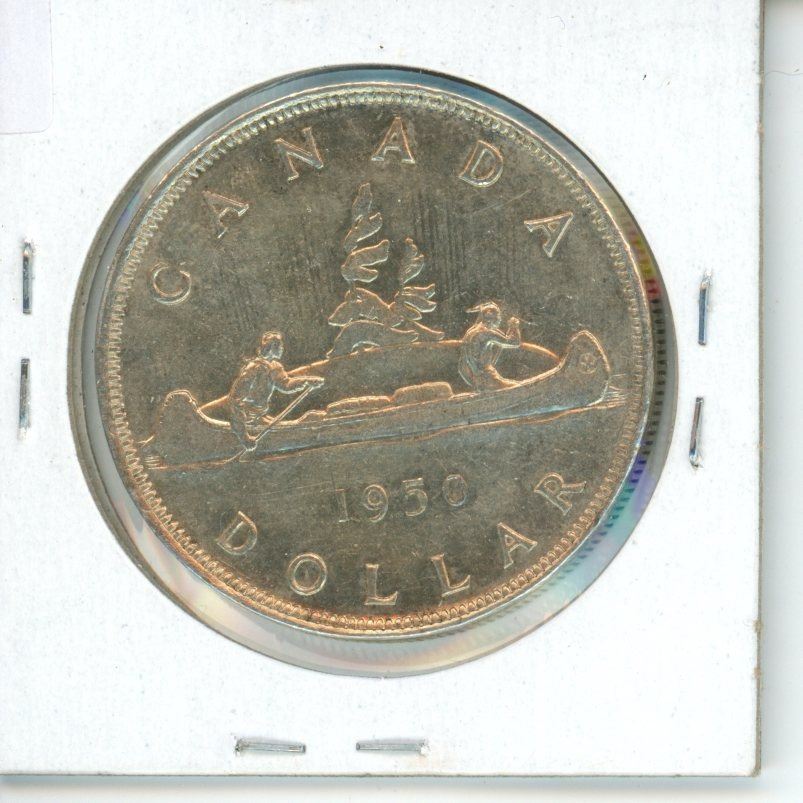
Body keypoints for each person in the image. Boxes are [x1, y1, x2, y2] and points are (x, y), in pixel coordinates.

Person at [227, 331, 323, 451]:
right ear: (271, 347)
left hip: (260, 416)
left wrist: (307, 381)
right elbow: (235, 400)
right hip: (246, 419)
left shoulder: (275, 366)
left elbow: (286, 384)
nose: (282, 348)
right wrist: (244, 437)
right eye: (279, 345)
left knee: (280, 428)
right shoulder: (254, 368)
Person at [458, 302, 521, 391]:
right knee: (519, 387)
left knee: (516, 385)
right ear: (492, 317)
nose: (500, 320)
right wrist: (514, 326)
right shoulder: (486, 332)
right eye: (498, 316)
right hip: (485, 377)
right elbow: (514, 342)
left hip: (471, 376)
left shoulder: (471, 332)